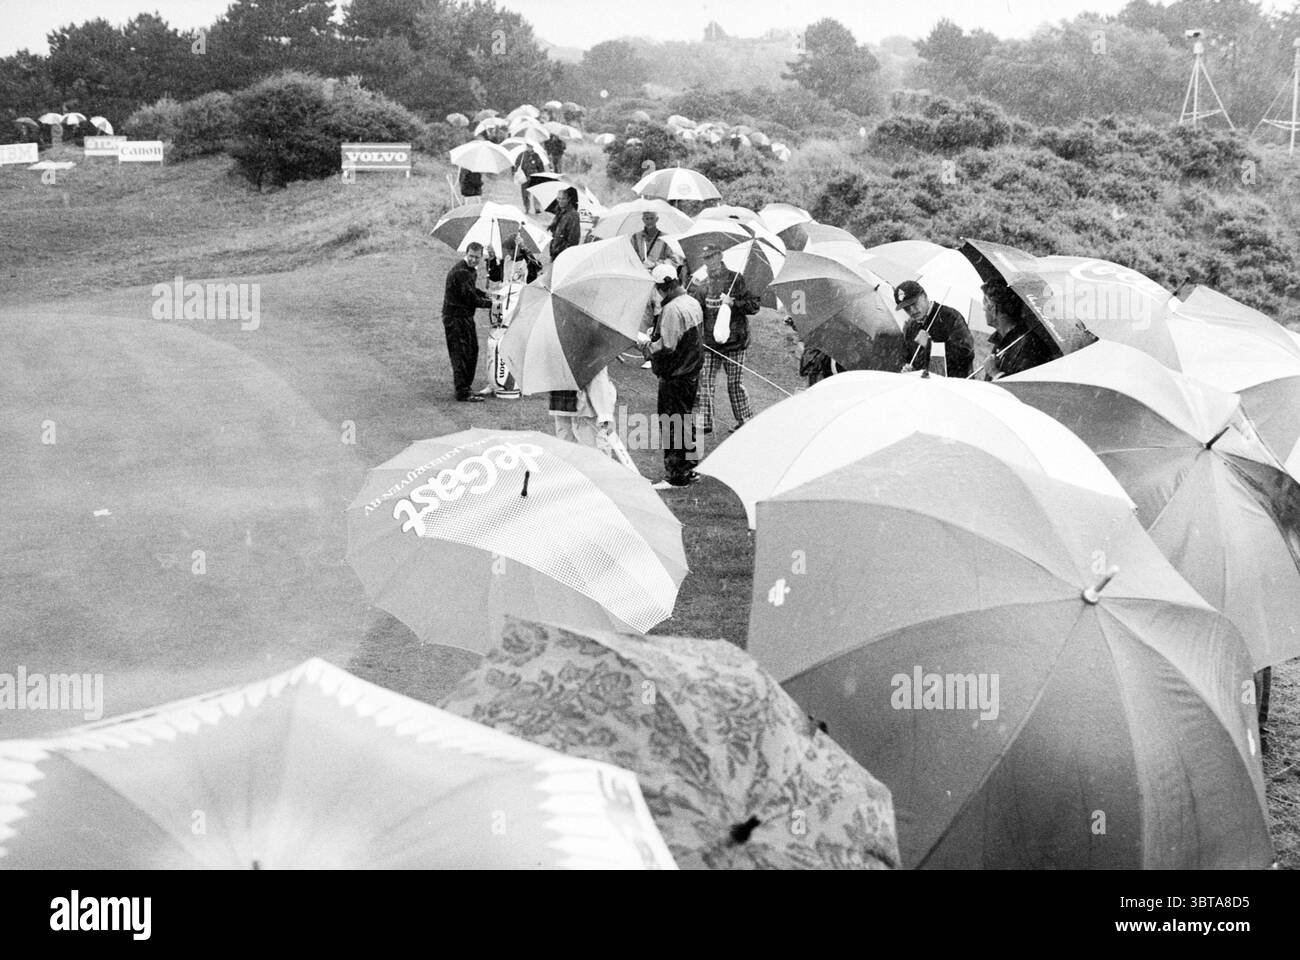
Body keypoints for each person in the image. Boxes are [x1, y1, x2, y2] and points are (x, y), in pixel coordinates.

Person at [642, 264, 704, 487]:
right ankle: (690, 467)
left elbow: (666, 345)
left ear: (662, 287)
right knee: (685, 420)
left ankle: (677, 475)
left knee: (672, 422)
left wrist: (646, 345)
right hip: (691, 372)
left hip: (675, 374)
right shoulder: (691, 302)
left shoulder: (671, 309)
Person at [690, 244, 760, 434]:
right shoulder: (702, 283)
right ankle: (705, 421)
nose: (709, 261)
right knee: (705, 380)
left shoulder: (736, 279)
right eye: (705, 257)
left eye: (712, 256)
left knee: (734, 383)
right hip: (710, 342)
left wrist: (734, 303)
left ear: (720, 256)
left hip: (736, 342)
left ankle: (745, 420)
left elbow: (754, 306)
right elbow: (696, 310)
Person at [441, 243, 493, 402]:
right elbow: (469, 298)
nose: (473, 260)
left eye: (477, 257)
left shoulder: (469, 271)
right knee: (461, 353)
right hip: (456, 317)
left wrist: (486, 294)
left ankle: (466, 388)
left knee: (471, 351)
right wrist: (490, 303)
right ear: (466, 253)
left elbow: (471, 290)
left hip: (463, 317)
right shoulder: (462, 272)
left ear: (481, 257)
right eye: (471, 256)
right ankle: (462, 391)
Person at [895, 280, 975, 379]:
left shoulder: (950, 317)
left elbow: (966, 354)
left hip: (954, 386)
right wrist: (910, 370)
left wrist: (931, 346)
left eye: (914, 303)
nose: (912, 310)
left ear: (924, 296)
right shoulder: (910, 327)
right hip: (924, 389)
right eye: (906, 308)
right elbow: (907, 358)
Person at [979, 281, 1057, 380]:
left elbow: (1023, 389)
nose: (983, 308)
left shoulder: (1029, 346)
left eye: (985, 303)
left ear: (994, 309)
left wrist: (995, 373)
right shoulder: (1001, 342)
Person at [551, 367, 616, 450]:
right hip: (583, 406)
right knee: (593, 451)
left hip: (561, 398)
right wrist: (605, 417)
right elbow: (598, 381)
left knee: (567, 447)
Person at [547, 186, 581, 277]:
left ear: (569, 199)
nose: (560, 201)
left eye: (563, 199)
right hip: (554, 252)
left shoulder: (573, 215)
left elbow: (573, 240)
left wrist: (563, 255)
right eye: (558, 198)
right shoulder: (559, 211)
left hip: (563, 255)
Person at [513, 143, 546, 211]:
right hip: (524, 178)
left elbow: (541, 166)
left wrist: (541, 176)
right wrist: (518, 171)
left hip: (535, 178)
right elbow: (517, 164)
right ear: (526, 146)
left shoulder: (536, 156)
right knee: (525, 194)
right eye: (528, 146)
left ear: (532, 147)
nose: (529, 147)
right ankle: (527, 207)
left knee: (536, 194)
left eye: (530, 146)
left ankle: (537, 208)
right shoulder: (522, 155)